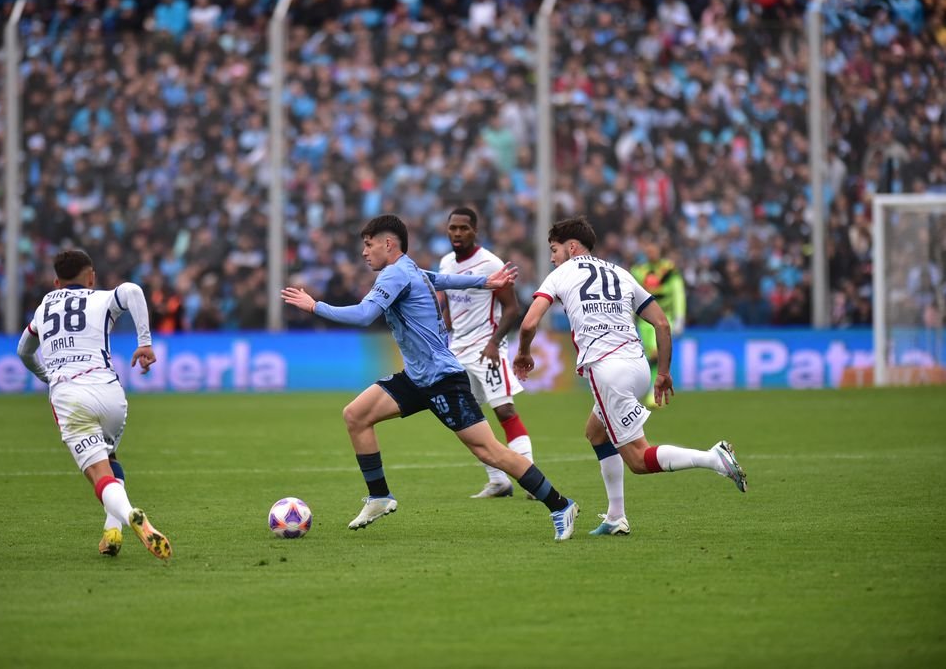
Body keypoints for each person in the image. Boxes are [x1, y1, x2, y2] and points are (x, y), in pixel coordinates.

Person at [282, 215, 580, 540]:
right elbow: (440, 279)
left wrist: (315, 306)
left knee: (490, 451)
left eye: (368, 245)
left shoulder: (394, 274)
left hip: (443, 380)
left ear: (388, 244)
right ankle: (379, 496)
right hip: (417, 378)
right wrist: (483, 282)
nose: (364, 252)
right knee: (356, 415)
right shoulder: (409, 269)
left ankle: (560, 505)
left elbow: (366, 315)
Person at [513, 218, 746, 538]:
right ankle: (615, 516)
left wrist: (524, 353)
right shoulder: (620, 273)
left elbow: (528, 324)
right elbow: (662, 324)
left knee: (637, 459)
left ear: (572, 247)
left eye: (554, 250)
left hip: (607, 370)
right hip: (638, 366)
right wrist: (663, 373)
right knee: (596, 432)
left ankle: (713, 458)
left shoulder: (560, 275)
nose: (552, 258)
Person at [16, 250, 172, 560]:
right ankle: (111, 531)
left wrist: (48, 377)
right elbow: (133, 291)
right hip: (110, 393)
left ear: (57, 282)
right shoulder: (102, 298)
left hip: (70, 397)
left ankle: (130, 514)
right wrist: (144, 342)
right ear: (91, 277)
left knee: (100, 474)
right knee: (110, 458)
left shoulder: (44, 307)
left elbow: (24, 351)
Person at [437, 206, 536, 499]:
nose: (457, 233)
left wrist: (494, 343)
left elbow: (512, 308)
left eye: (463, 228)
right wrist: (443, 331)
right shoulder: (445, 263)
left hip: (486, 348)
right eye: (453, 227)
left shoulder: (490, 264)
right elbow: (451, 306)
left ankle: (532, 479)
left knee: (504, 410)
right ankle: (498, 482)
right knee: (466, 418)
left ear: (475, 231)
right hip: (457, 350)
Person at [630, 242, 686, 407]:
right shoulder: (639, 271)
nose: (651, 254)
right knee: (651, 355)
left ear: (660, 252)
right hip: (645, 319)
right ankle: (650, 391)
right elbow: (633, 294)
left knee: (657, 353)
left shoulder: (669, 270)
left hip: (664, 315)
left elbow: (678, 293)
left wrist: (679, 317)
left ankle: (651, 394)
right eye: (648, 251)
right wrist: (630, 316)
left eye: (653, 251)